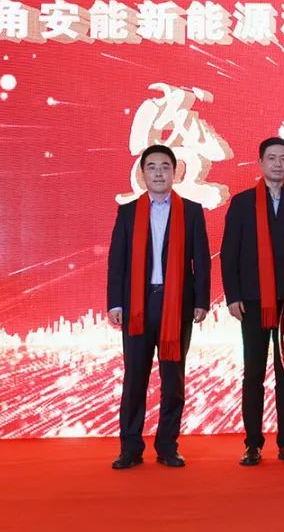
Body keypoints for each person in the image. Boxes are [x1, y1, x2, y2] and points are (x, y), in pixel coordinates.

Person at [106, 144, 210, 469]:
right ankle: (130, 448)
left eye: (165, 166)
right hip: (138, 304)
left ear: (175, 172)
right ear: (142, 174)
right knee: (135, 379)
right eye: (151, 167)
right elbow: (117, 262)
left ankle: (167, 446)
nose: (159, 173)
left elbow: (201, 260)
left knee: (173, 380)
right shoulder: (128, 212)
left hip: (176, 305)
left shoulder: (191, 211)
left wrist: (202, 301)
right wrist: (115, 302)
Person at [220, 137, 284, 467]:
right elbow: (229, 253)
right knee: (253, 373)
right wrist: (233, 295)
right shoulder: (242, 203)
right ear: (260, 163)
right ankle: (252, 443)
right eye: (272, 158)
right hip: (252, 300)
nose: (278, 164)